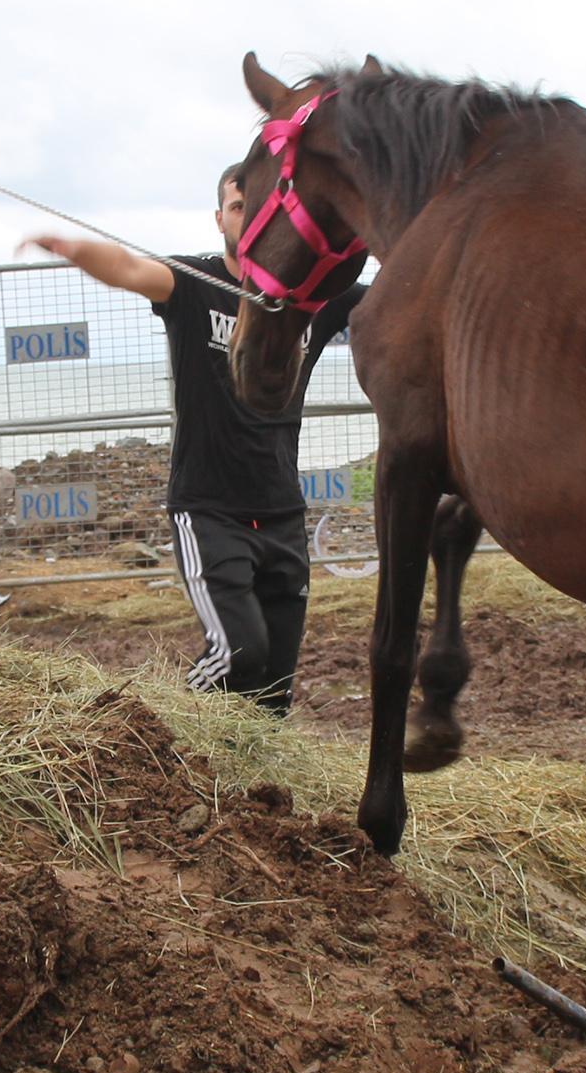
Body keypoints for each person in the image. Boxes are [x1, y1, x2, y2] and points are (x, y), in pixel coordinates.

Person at [24, 169, 368, 713]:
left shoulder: (312, 299)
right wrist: (74, 249)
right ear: (220, 219)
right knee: (238, 654)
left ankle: (259, 790)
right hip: (209, 512)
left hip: (282, 513)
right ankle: (174, 727)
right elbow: (131, 268)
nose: (249, 218)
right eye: (238, 207)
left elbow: (405, 293)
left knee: (274, 689)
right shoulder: (192, 282)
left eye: (261, 209)